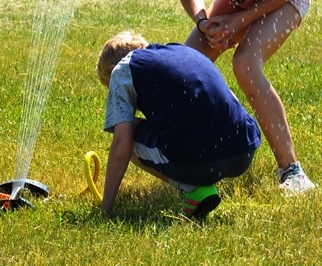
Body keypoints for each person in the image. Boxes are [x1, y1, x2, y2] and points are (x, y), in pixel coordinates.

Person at [165, 0, 316, 193]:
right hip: (240, 0)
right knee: (186, 66)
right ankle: (188, 160)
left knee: (246, 63)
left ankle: (292, 171)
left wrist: (238, 21)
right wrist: (204, 21)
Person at [96, 32, 261, 219]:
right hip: (243, 150)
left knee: (129, 130)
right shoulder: (180, 51)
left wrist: (106, 208)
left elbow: (122, 144)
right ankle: (202, 178)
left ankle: (193, 189)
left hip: (200, 164)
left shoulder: (122, 70)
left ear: (112, 69)